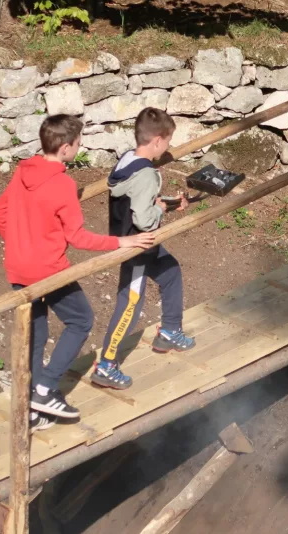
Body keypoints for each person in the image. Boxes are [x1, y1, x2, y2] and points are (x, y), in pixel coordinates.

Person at [0, 115, 155, 430]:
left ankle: (32, 410)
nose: (79, 148)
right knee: (80, 320)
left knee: (36, 334)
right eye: (78, 144)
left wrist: (19, 239)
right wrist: (125, 240)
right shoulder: (62, 184)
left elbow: (0, 211)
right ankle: (46, 389)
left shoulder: (23, 170)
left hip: (17, 265)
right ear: (66, 148)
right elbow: (78, 238)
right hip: (48, 271)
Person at [93, 108, 195, 390]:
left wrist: (167, 202)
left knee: (171, 271)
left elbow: (137, 198)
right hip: (136, 244)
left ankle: (171, 331)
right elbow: (144, 219)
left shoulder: (128, 160)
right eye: (169, 141)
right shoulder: (148, 174)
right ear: (159, 141)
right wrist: (161, 208)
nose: (169, 147)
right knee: (130, 303)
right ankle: (106, 364)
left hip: (134, 239)